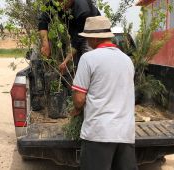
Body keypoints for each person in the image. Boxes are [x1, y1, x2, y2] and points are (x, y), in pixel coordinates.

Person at [70, 16, 137, 170]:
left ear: (94, 38)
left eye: (87, 38)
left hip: (99, 133)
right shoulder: (127, 60)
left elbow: (79, 99)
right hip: (125, 133)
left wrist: (76, 108)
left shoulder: (88, 58)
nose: (86, 42)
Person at [38, 0, 100, 74]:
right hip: (77, 32)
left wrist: (66, 61)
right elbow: (43, 20)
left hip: (92, 32)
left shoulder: (82, 9)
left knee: (89, 61)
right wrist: (45, 44)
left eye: (64, 2)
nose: (61, 6)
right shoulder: (56, 2)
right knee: (78, 64)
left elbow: (78, 39)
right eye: (59, 2)